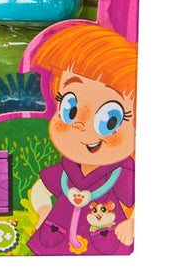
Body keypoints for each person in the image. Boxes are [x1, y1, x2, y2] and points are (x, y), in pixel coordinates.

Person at [25, 20, 136, 255]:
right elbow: (41, 189)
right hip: (55, 237)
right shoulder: (68, 168)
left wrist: (132, 223)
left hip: (103, 242)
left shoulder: (123, 171)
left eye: (110, 120)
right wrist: (43, 208)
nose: (81, 126)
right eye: (70, 108)